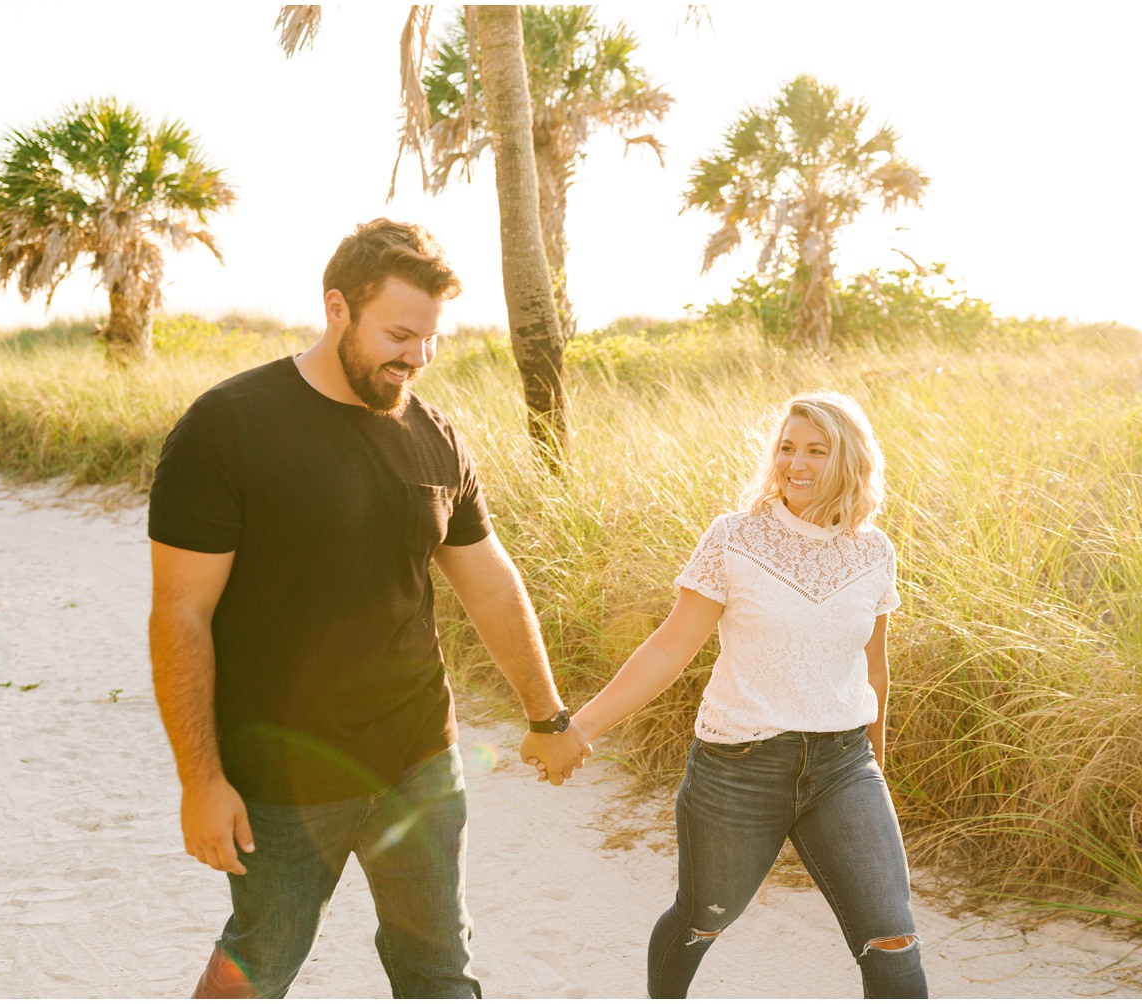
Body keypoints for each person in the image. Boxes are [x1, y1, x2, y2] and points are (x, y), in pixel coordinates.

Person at [148, 218, 591, 999]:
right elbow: (179, 614)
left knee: (440, 971)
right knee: (259, 963)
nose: (415, 358)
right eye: (397, 334)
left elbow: (488, 580)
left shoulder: (436, 436)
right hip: (281, 779)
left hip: (418, 761)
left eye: (428, 340)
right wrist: (200, 781)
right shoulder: (229, 426)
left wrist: (547, 714)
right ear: (337, 308)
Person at [562, 392, 929, 998]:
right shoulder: (734, 539)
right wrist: (582, 728)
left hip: (844, 767)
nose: (796, 464)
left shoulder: (874, 551)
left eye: (817, 449)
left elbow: (874, 670)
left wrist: (875, 776)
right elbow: (668, 649)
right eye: (786, 448)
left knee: (892, 937)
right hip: (739, 767)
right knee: (701, 920)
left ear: (851, 460)